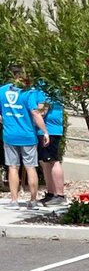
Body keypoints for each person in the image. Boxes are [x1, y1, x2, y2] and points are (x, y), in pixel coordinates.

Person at [1, 65, 47, 209]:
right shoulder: (28, 93)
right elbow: (35, 113)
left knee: (13, 167)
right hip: (28, 135)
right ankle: (33, 201)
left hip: (10, 135)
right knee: (30, 167)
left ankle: (14, 201)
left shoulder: (2, 91)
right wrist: (45, 131)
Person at [35, 92, 67, 208]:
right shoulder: (49, 86)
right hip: (48, 130)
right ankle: (51, 193)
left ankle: (60, 195)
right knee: (45, 162)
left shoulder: (45, 87)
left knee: (53, 161)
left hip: (49, 130)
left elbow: (42, 111)